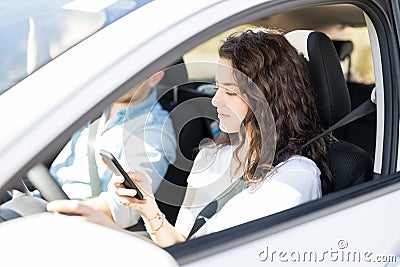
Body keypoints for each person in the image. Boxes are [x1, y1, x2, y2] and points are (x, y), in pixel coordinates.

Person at [47, 27, 334, 247]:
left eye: (230, 92)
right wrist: (149, 209)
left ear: (268, 99)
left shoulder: (293, 180)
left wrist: (109, 228)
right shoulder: (211, 156)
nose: (215, 101)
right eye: (217, 88)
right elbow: (183, 245)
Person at [49, 71, 177, 228]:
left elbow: (122, 207)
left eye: (131, 73)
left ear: (155, 77)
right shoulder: (94, 105)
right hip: (41, 194)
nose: (119, 78)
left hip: (69, 220)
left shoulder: (152, 131)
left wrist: (60, 215)